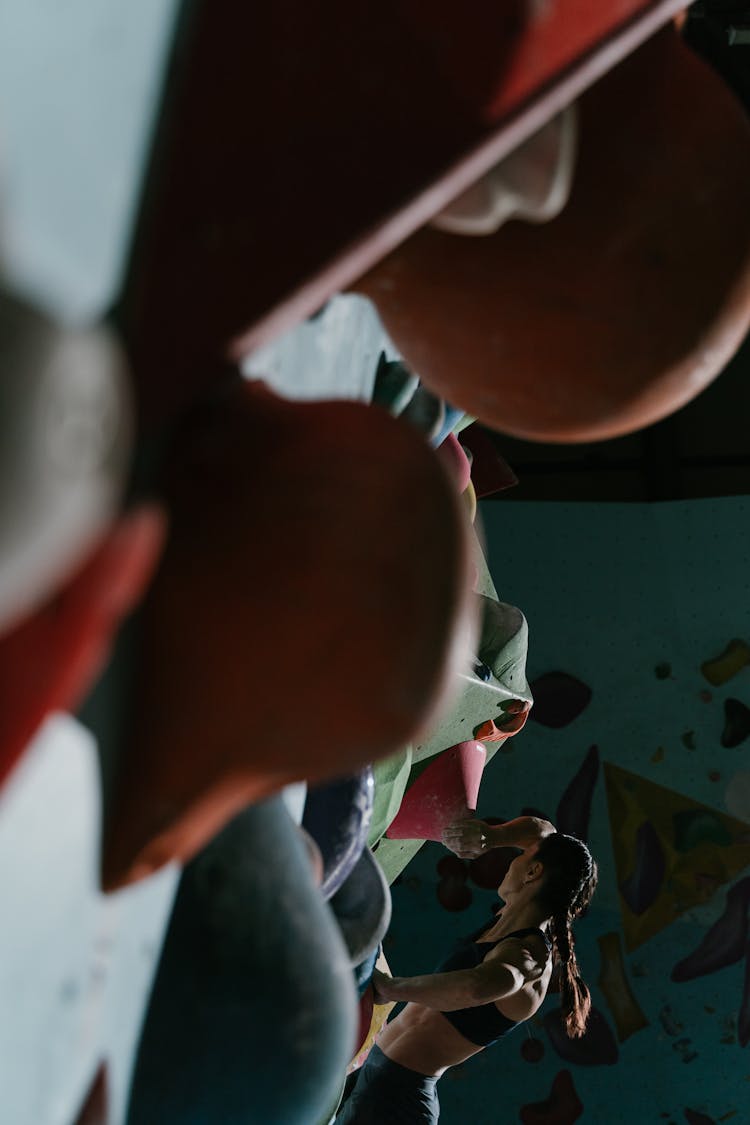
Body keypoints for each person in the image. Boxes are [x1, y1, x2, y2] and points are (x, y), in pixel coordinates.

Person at [335, 815, 598, 1124]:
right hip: (373, 1075)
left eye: (521, 858)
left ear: (533, 871)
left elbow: (477, 986)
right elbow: (542, 832)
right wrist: (491, 836)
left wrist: (390, 988)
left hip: (397, 1102)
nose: (509, 863)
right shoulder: (511, 923)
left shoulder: (528, 957)